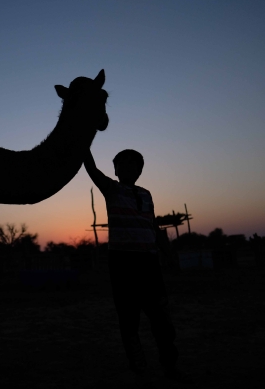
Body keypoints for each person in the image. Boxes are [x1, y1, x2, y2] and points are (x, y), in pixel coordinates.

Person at [84, 149, 193, 386]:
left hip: (149, 264)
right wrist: (82, 144)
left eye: (130, 164)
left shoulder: (146, 194)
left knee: (161, 319)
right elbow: (92, 170)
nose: (124, 168)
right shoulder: (111, 189)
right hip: (123, 264)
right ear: (115, 170)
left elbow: (153, 225)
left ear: (139, 169)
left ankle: (170, 365)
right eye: (120, 165)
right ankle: (138, 367)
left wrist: (169, 254)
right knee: (129, 319)